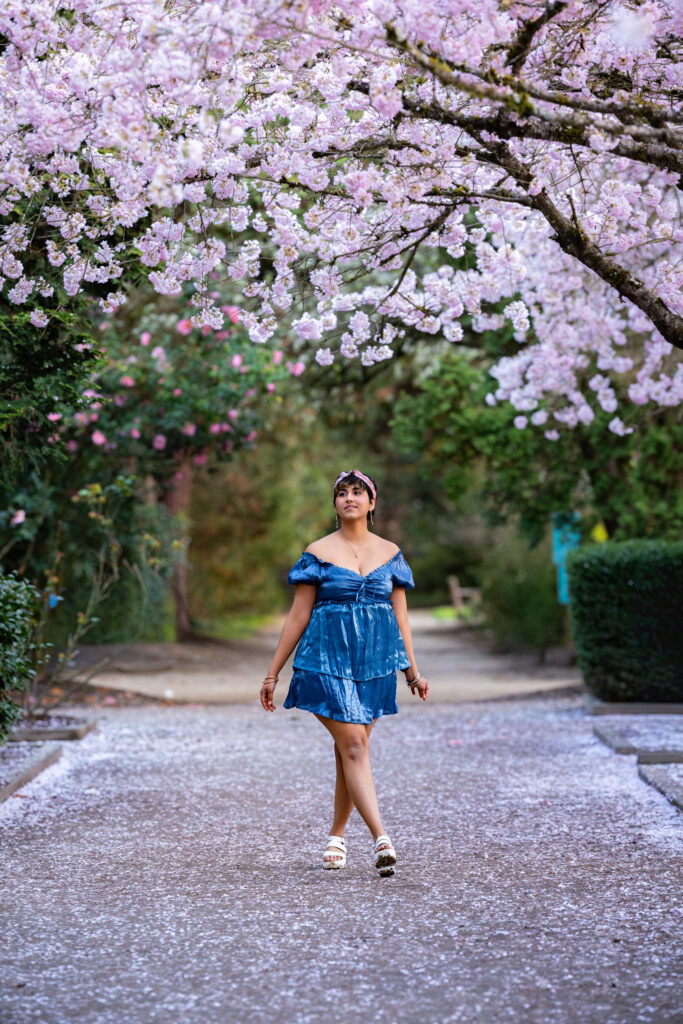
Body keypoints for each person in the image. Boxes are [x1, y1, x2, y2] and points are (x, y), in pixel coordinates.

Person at [259, 469, 429, 877]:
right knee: (354, 744)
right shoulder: (316, 552)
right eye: (342, 493)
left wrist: (412, 672)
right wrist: (272, 674)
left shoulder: (391, 554)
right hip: (324, 659)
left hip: (374, 664)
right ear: (335, 504)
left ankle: (336, 836)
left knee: (350, 751)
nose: (349, 498)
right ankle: (381, 838)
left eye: (358, 492)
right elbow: (298, 615)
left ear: (372, 504)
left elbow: (400, 619)